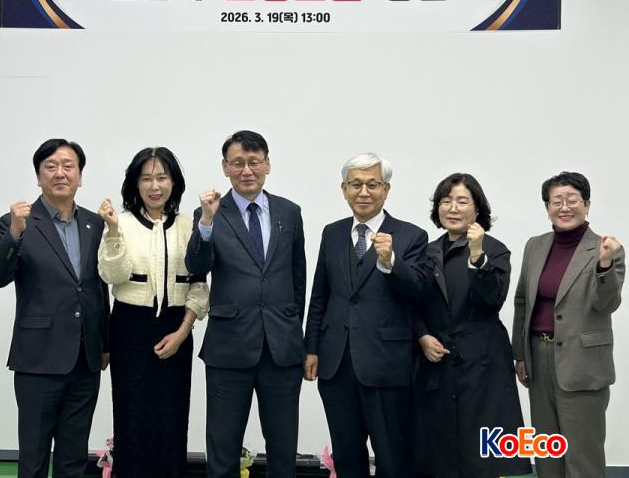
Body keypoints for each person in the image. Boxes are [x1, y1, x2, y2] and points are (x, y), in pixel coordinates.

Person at [0, 138, 110, 478]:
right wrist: (14, 233)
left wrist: (105, 343)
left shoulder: (94, 223)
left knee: (73, 458)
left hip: (85, 358)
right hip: (38, 358)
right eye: (50, 167)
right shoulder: (17, 222)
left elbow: (99, 287)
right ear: (38, 176)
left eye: (68, 166)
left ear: (80, 176)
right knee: (34, 457)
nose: (60, 173)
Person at [185, 130, 306, 478]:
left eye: (254, 162)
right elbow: (196, 267)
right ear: (225, 167)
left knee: (283, 449)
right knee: (223, 448)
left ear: (268, 164)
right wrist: (206, 222)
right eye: (237, 163)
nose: (246, 170)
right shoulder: (209, 213)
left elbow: (297, 279)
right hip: (229, 347)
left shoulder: (289, 212)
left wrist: (291, 329)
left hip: (281, 348)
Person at [304, 153, 427, 478]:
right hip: (336, 363)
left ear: (386, 189)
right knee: (346, 456)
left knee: (392, 457)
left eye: (372, 184)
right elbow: (320, 295)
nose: (363, 192)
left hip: (386, 363)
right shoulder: (332, 232)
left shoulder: (411, 235)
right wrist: (311, 347)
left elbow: (417, 290)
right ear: (344, 189)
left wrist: (390, 261)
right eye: (356, 184)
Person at [97, 147, 209, 478]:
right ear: (135, 184)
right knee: (131, 419)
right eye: (146, 178)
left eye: (162, 177)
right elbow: (112, 275)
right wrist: (113, 231)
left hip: (177, 328)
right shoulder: (121, 223)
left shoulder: (189, 226)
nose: (154, 186)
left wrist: (182, 332)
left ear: (174, 182)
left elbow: (199, 285)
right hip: (130, 329)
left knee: (172, 419)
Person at [412, 173, 530, 478]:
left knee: (482, 454)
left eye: (462, 201)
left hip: (483, 363)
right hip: (437, 362)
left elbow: (492, 299)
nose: (453, 208)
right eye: (446, 201)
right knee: (439, 451)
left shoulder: (495, 249)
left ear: (477, 209)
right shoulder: (427, 251)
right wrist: (422, 335)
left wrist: (477, 256)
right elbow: (413, 304)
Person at [512, 171, 624, 478]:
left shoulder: (606, 248)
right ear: (547, 207)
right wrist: (520, 354)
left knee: (582, 456)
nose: (564, 207)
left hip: (582, 363)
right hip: (538, 358)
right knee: (548, 452)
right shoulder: (535, 246)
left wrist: (604, 264)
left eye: (572, 200)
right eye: (556, 201)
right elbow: (523, 302)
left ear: (586, 204)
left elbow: (607, 304)